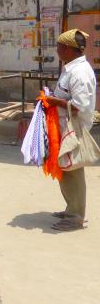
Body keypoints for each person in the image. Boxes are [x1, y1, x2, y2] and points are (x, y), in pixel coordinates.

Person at [45, 28, 97, 231]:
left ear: (67, 48)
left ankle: (76, 217)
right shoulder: (71, 68)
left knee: (73, 171)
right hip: (63, 126)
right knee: (65, 169)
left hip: (74, 128)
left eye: (59, 47)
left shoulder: (80, 73)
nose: (57, 50)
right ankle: (71, 209)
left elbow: (80, 106)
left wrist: (53, 100)